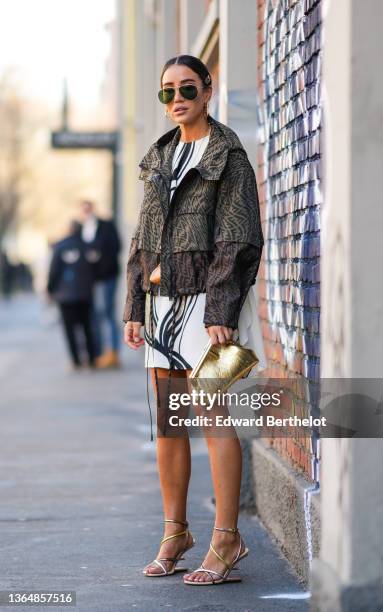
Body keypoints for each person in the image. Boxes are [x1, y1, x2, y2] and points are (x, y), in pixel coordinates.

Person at [123, 55, 264, 585]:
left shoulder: (227, 155)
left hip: (208, 309)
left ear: (208, 90)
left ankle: (227, 539)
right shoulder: (159, 157)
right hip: (162, 305)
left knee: (213, 417)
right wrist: (135, 306)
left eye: (186, 88)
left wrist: (221, 311)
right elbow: (142, 239)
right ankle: (175, 532)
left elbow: (240, 235)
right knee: (168, 424)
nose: (176, 98)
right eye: (167, 92)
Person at [47, 220, 96, 370]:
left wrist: (50, 289)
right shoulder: (87, 247)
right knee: (87, 327)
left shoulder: (60, 247)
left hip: (65, 295)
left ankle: (76, 361)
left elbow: (54, 271)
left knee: (69, 329)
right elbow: (96, 268)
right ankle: (92, 359)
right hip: (85, 293)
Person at [79, 200, 121, 368]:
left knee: (106, 313)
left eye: (88, 208)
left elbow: (115, 247)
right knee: (95, 315)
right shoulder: (82, 228)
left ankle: (112, 353)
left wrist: (99, 258)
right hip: (90, 279)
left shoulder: (105, 225)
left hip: (106, 276)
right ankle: (98, 353)